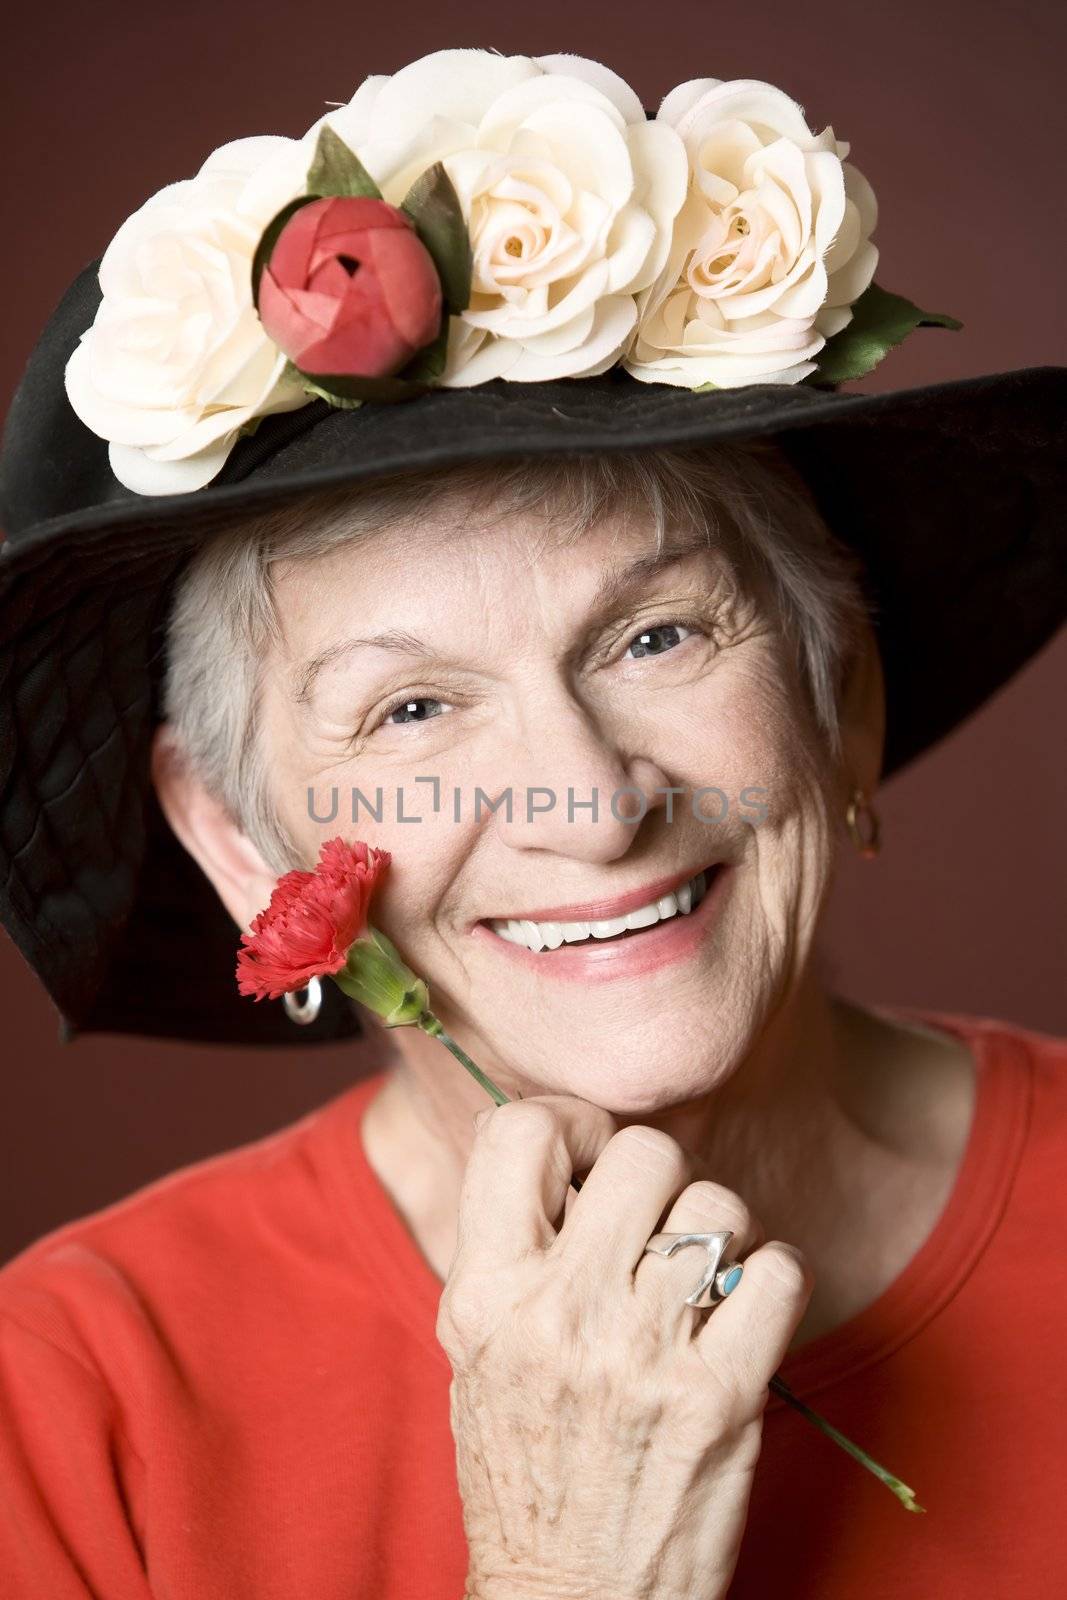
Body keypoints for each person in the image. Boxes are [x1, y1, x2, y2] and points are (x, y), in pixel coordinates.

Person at [0, 46, 1064, 1600]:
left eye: (659, 638)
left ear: (844, 703)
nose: (594, 802)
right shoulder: (65, 1405)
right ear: (237, 838)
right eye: (414, 709)